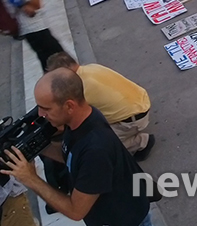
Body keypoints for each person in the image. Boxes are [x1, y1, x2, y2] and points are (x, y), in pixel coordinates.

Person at [0, 68, 152, 225]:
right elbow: (72, 157)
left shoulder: (96, 149)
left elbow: (75, 211)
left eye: (46, 108)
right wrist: (34, 148)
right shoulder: (80, 122)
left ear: (69, 106)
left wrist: (31, 178)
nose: (40, 114)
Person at [46, 52, 155, 158]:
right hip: (142, 102)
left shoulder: (80, 87)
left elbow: (74, 118)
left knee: (100, 144)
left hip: (133, 119)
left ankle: (141, 142)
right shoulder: (91, 67)